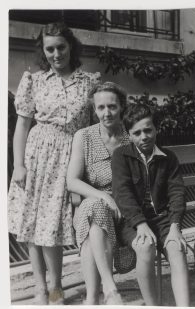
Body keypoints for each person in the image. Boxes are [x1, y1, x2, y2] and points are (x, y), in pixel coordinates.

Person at [8, 22, 101, 305]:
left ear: (71, 46)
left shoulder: (89, 82)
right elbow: (22, 126)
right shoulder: (34, 81)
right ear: (43, 51)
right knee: (30, 224)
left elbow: (96, 127)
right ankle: (39, 287)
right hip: (35, 157)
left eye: (61, 47)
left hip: (69, 158)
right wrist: (18, 165)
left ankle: (57, 285)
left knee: (52, 226)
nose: (56, 54)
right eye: (50, 49)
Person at [112, 104, 190, 306]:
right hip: (132, 222)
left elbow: (177, 192)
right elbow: (123, 194)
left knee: (176, 247)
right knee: (145, 246)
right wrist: (140, 224)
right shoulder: (121, 156)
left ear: (156, 129)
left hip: (163, 219)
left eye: (148, 130)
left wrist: (175, 226)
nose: (144, 136)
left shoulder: (168, 157)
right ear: (129, 135)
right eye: (137, 133)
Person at [66, 82, 130, 305]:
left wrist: (120, 201)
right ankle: (110, 288)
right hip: (94, 204)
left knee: (92, 228)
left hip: (127, 209)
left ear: (122, 106)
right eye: (100, 108)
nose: (106, 113)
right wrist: (104, 196)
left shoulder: (131, 136)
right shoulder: (83, 137)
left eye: (112, 106)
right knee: (95, 208)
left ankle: (92, 298)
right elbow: (72, 181)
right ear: (94, 110)